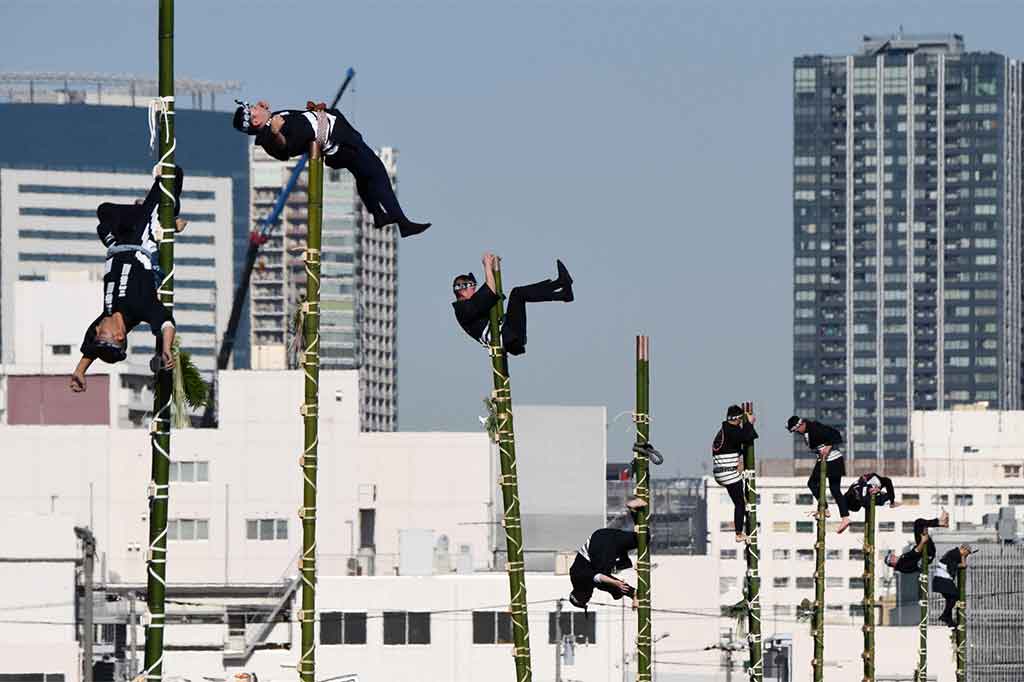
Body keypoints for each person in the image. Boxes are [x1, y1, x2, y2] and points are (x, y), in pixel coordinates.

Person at [232, 99, 429, 238]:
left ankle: (378, 215)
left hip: (338, 132)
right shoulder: (270, 135)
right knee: (377, 173)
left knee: (364, 177)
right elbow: (285, 148)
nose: (257, 105)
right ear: (255, 120)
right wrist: (276, 133)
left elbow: (296, 126)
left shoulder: (273, 118)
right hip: (339, 143)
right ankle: (402, 223)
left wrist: (310, 112)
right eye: (253, 108)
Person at [69, 241, 177, 392]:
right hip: (139, 239)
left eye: (97, 332)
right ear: (119, 335)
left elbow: (91, 345)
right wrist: (166, 347)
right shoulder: (140, 308)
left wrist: (80, 371)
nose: (98, 328)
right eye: (102, 333)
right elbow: (166, 322)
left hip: (115, 240)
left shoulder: (107, 314)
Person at [452, 253, 573, 356]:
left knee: (518, 294)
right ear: (462, 289)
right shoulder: (462, 309)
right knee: (517, 294)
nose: (474, 289)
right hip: (507, 338)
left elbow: (490, 293)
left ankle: (561, 288)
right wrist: (487, 266)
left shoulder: (470, 306)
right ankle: (561, 288)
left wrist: (495, 268)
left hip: (508, 333)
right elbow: (489, 292)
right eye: (472, 286)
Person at [568, 488, 652, 611]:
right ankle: (634, 509)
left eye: (586, 599)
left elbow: (599, 576)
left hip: (598, 544)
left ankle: (634, 593)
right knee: (643, 538)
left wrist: (616, 584)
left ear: (580, 595)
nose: (589, 597)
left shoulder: (578, 579)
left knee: (605, 582)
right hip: (605, 537)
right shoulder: (584, 582)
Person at [787, 415, 850, 533]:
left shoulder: (815, 428)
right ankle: (831, 511)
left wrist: (828, 447)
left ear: (801, 425)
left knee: (827, 487)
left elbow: (836, 434)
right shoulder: (807, 432)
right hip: (824, 460)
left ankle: (840, 515)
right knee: (824, 486)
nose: (797, 432)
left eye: (796, 430)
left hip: (833, 460)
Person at [712, 403, 757, 543]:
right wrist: (749, 423)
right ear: (738, 419)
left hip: (720, 473)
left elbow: (735, 445)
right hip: (728, 474)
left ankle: (740, 528)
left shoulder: (724, 431)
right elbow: (750, 437)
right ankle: (738, 533)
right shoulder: (733, 431)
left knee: (740, 500)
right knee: (740, 504)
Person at [884, 511, 950, 573]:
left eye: (892, 555)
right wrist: (922, 541)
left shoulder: (901, 562)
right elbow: (915, 552)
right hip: (926, 554)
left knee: (919, 523)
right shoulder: (901, 564)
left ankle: (941, 522)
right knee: (919, 524)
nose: (894, 556)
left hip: (924, 552)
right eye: (892, 557)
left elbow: (914, 554)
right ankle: (940, 522)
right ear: (892, 562)